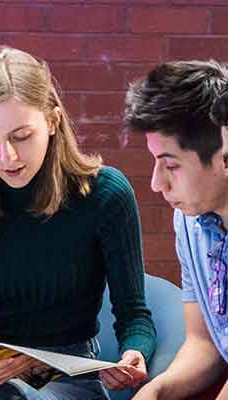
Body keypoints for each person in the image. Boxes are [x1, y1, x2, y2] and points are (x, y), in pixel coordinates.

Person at [0, 46, 156, 400]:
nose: (7, 157)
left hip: (68, 375)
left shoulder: (105, 194)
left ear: (53, 122)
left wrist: (134, 353)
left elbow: (135, 315)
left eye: (21, 136)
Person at [124, 60, 228, 400]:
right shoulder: (189, 221)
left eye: (170, 165)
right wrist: (157, 390)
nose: (156, 183)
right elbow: (204, 342)